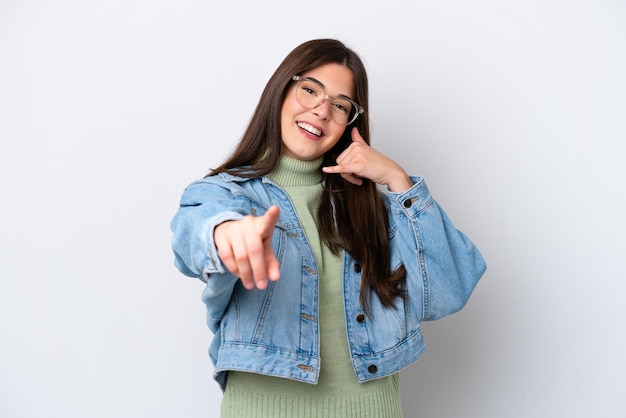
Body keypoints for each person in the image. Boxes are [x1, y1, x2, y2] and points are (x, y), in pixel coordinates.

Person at [170, 38, 486, 418]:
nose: (321, 111)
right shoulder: (226, 195)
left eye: (339, 105)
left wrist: (398, 180)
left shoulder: (375, 209)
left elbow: (449, 291)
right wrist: (227, 235)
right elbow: (196, 231)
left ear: (350, 123)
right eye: (309, 91)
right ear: (281, 91)